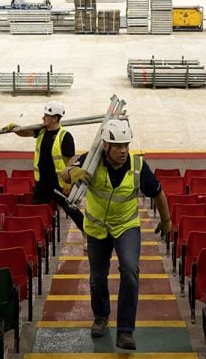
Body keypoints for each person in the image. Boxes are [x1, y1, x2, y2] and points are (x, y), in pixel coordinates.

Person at [62, 118, 171, 351]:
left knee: (130, 271)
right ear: (106, 147)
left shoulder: (138, 166)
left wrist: (166, 219)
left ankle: (125, 331)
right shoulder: (91, 162)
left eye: (126, 145)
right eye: (118, 147)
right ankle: (101, 316)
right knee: (97, 277)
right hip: (97, 228)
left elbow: (158, 193)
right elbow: (65, 174)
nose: (123, 151)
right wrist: (72, 173)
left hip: (125, 226)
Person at [7, 101, 75, 206]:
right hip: (42, 184)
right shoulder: (42, 131)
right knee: (39, 211)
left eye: (46, 115)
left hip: (58, 184)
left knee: (70, 210)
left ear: (55, 118)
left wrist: (69, 182)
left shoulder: (65, 136)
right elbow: (25, 132)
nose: (43, 118)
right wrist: (15, 128)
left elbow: (71, 161)